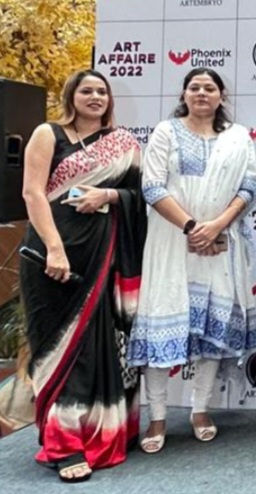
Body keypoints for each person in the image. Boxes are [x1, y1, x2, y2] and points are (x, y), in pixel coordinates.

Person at [19, 69, 144, 482]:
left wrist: (108, 194)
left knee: (96, 346)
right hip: (50, 255)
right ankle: (64, 444)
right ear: (71, 96)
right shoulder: (48, 134)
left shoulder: (123, 143)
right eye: (86, 90)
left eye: (101, 91)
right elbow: (33, 193)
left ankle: (102, 431)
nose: (95, 97)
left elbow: (139, 197)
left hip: (103, 256)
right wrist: (54, 248)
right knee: (57, 348)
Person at [129, 68, 256, 454]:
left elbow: (250, 186)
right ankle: (156, 416)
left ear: (221, 95)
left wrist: (216, 226)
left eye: (210, 87)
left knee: (210, 334)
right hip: (171, 241)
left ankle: (200, 410)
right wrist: (191, 227)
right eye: (194, 87)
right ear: (184, 94)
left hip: (220, 241)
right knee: (162, 324)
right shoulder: (165, 132)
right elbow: (152, 186)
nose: (202, 93)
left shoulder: (238, 136)